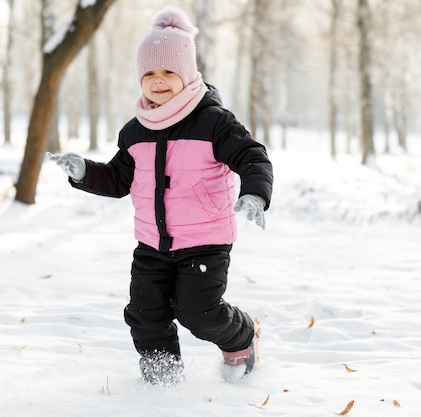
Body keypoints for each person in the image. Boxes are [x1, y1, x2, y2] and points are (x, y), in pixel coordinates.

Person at [48, 6, 273, 385]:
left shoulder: (213, 121)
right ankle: (162, 379)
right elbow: (119, 179)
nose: (159, 81)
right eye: (149, 73)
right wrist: (85, 171)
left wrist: (255, 194)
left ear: (187, 73)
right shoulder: (136, 131)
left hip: (205, 242)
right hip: (152, 243)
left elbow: (252, 156)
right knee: (144, 312)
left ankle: (241, 338)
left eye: (169, 71)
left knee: (198, 312)